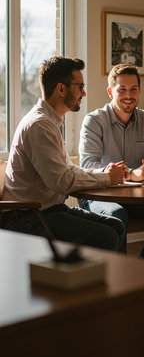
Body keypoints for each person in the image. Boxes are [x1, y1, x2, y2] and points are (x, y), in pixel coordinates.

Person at [2, 56, 126, 252]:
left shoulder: (50, 122)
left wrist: (104, 173)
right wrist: (108, 178)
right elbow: (62, 182)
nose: (83, 93)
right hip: (28, 217)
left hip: (47, 210)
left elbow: (68, 171)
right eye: (79, 87)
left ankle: (116, 281)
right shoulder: (39, 125)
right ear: (61, 89)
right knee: (107, 236)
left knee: (116, 226)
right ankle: (87, 282)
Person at [79, 63, 144, 260]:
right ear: (110, 92)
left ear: (139, 90)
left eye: (133, 89)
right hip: (99, 194)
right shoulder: (94, 121)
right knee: (117, 216)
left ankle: (143, 267)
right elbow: (87, 167)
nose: (129, 95)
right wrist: (130, 173)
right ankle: (121, 282)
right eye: (122, 90)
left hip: (135, 195)